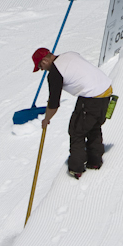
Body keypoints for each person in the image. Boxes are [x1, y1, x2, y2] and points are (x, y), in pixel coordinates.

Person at [33, 47, 113, 177]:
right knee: (93, 125)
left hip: (92, 96)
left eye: (40, 66)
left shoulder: (55, 72)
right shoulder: (69, 54)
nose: (42, 69)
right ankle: (95, 160)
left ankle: (76, 168)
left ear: (44, 61)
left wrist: (46, 119)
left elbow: (54, 103)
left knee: (76, 131)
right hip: (106, 90)